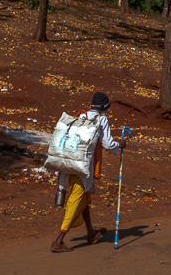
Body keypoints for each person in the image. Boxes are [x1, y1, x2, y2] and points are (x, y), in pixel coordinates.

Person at [51, 92, 126, 253]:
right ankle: (58, 240)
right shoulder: (101, 119)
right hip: (83, 168)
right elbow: (107, 143)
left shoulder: (81, 116)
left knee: (84, 198)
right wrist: (120, 145)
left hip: (70, 164)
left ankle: (91, 233)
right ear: (105, 108)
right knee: (75, 201)